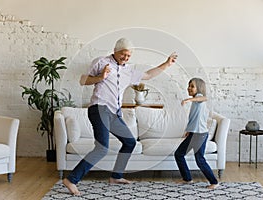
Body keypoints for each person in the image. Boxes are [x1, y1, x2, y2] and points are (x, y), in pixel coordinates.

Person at [63, 38, 178, 195]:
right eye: (123, 54)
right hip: (99, 109)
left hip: (114, 112)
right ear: (115, 51)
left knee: (130, 142)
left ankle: (116, 176)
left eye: (129, 55)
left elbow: (148, 75)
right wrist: (100, 78)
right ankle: (71, 180)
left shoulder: (129, 70)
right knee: (102, 148)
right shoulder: (101, 62)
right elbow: (83, 80)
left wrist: (167, 63)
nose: (126, 57)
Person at [174, 77, 219, 189]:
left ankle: (214, 182)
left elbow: (204, 97)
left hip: (200, 134)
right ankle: (187, 178)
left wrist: (188, 100)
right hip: (195, 133)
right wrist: (189, 130)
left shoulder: (199, 98)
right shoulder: (196, 101)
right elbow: (194, 118)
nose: (189, 88)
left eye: (192, 86)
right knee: (179, 154)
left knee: (199, 159)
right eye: (189, 85)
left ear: (199, 88)